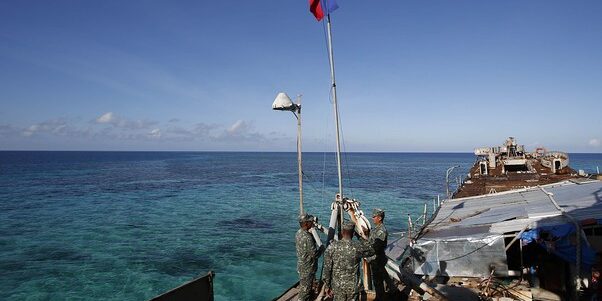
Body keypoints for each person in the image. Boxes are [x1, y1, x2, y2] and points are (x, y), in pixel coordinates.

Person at [322, 222, 375, 301]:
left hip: (338, 287)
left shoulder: (332, 247)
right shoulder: (357, 247)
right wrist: (359, 237)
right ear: (353, 233)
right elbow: (372, 249)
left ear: (342, 232)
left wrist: (327, 286)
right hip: (353, 288)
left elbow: (327, 269)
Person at [367, 208, 394, 301]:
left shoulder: (381, 230)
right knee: (377, 282)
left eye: (374, 217)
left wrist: (364, 251)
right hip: (375, 260)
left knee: (378, 282)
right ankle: (380, 296)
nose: (372, 218)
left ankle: (380, 298)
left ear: (380, 218)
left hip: (377, 260)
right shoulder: (376, 229)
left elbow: (376, 247)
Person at [296, 213, 322, 301]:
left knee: (305, 288)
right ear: (306, 224)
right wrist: (322, 248)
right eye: (310, 222)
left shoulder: (298, 233)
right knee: (304, 292)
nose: (312, 223)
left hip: (302, 265)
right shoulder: (307, 237)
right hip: (308, 268)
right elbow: (315, 254)